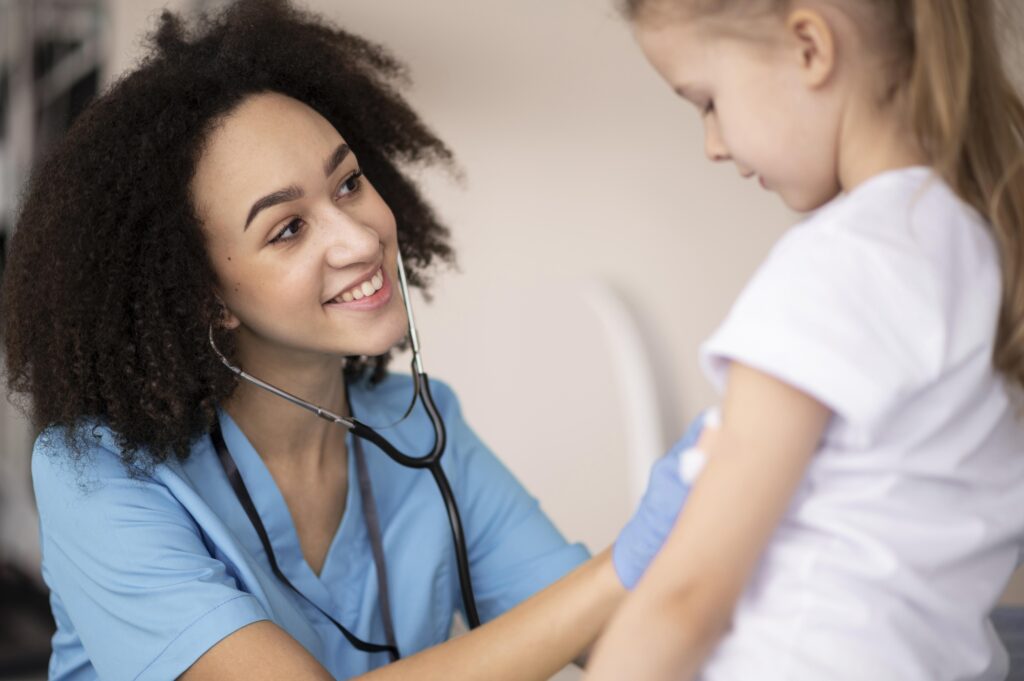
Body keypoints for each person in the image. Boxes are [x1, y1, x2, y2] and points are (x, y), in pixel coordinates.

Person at [0, 1, 695, 679]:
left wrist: (717, 517)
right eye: (288, 229)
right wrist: (623, 563)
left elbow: (617, 636)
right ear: (204, 296)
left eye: (349, 183)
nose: (361, 239)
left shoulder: (424, 429)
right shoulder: (96, 475)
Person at [586, 0, 1024, 679]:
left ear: (810, 48)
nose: (713, 145)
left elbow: (687, 597)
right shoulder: (984, 244)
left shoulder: (835, 265)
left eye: (707, 102)